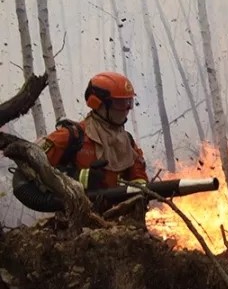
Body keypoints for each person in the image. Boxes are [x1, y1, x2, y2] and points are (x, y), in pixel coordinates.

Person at [38, 72, 149, 208]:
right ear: (97, 103)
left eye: (129, 102)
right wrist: (78, 177)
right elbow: (34, 168)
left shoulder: (127, 142)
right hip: (78, 216)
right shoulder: (71, 136)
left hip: (119, 216)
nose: (126, 109)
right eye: (120, 103)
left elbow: (139, 178)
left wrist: (139, 196)